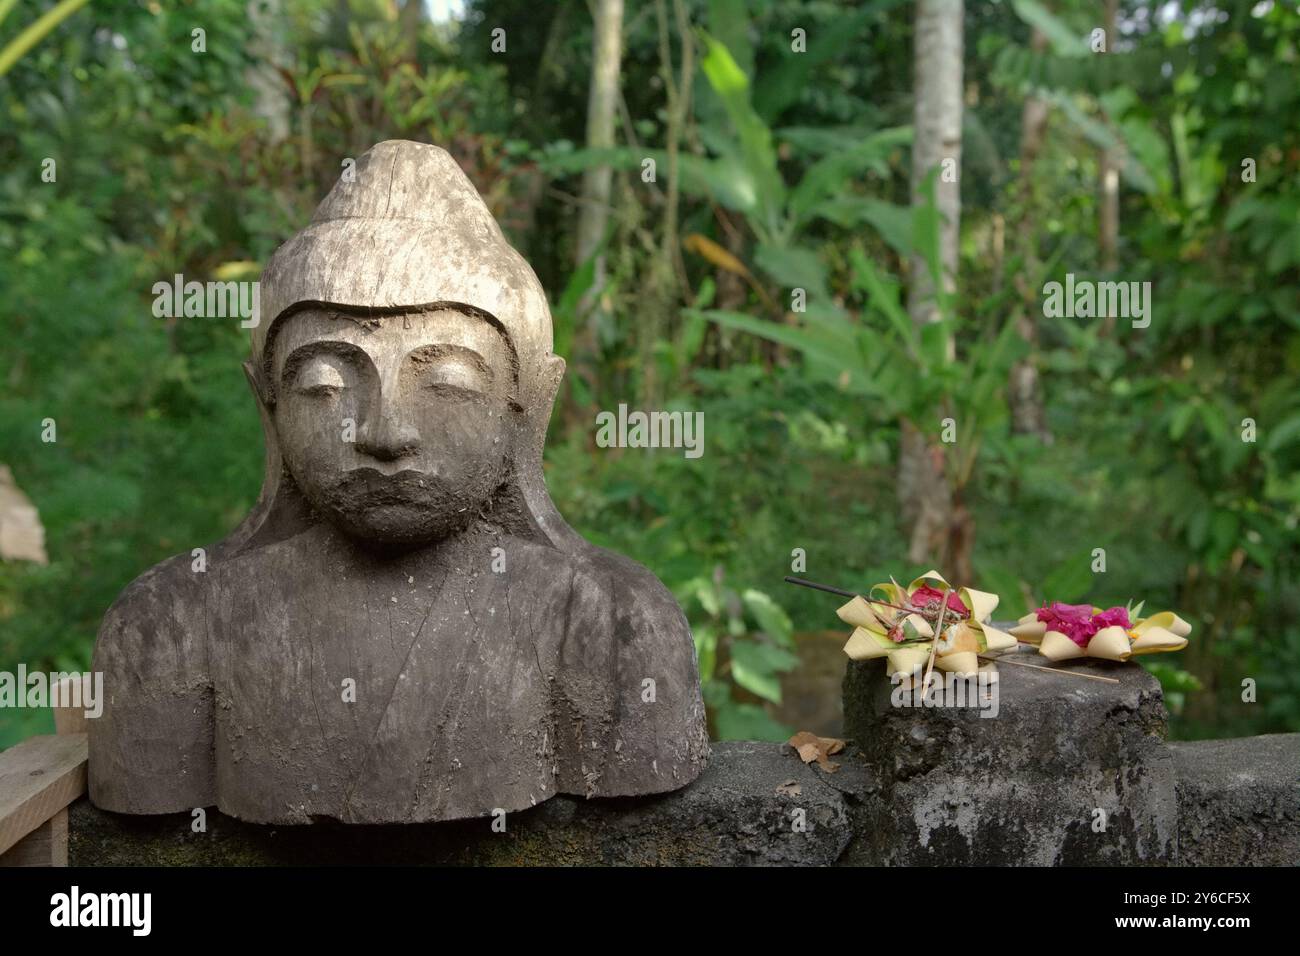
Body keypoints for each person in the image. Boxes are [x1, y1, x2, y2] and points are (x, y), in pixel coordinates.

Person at [89, 141, 709, 824]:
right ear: (266, 402)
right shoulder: (166, 627)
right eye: (325, 382)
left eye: (448, 383)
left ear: (530, 400)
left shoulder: (613, 621)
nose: (384, 433)